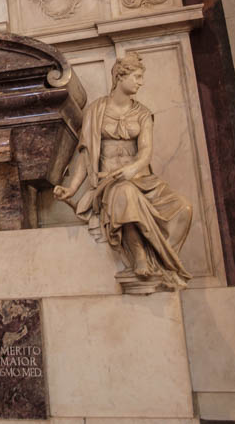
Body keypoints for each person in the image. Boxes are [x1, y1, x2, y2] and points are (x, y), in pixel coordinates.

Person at [54, 52, 192, 291]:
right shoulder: (96, 111)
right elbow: (86, 155)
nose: (141, 82)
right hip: (108, 183)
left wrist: (132, 169)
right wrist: (72, 188)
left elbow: (145, 153)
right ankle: (139, 256)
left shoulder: (143, 114)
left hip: (140, 178)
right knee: (125, 194)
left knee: (183, 209)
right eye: (137, 77)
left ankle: (160, 261)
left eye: (141, 77)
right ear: (120, 76)